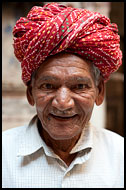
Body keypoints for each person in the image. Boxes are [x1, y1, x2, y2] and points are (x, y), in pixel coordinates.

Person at [2, 2, 124, 188]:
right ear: (30, 93)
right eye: (48, 85)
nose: (63, 103)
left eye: (79, 86)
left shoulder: (120, 155)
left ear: (99, 92)